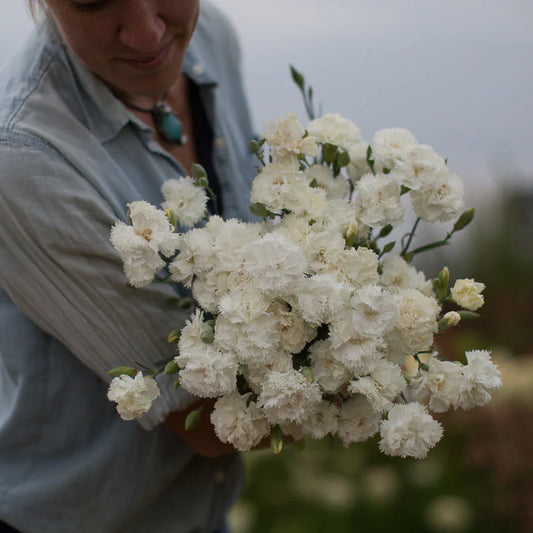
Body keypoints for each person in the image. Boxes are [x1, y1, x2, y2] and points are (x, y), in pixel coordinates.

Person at [0, 1, 257, 531]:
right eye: (93, 0)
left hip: (199, 511)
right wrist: (386, 359)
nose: (146, 35)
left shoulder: (210, 40)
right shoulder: (25, 160)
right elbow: (206, 420)